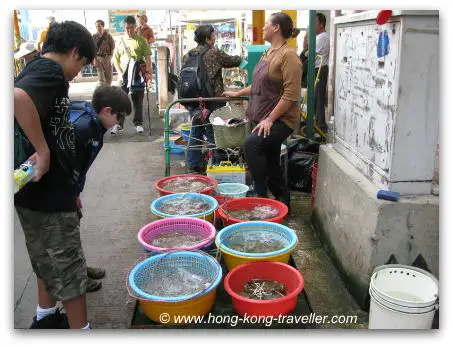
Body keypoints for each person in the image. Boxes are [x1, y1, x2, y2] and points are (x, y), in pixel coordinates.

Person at [14, 21, 96, 329]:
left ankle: (46, 317)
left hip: (30, 191)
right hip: (49, 194)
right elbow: (16, 97)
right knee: (70, 269)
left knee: (44, 260)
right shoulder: (49, 72)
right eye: (82, 64)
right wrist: (43, 151)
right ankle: (81, 330)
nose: (78, 73)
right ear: (74, 52)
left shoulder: (33, 66)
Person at [223, 13, 302, 209]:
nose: (263, 27)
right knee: (271, 161)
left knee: (252, 145)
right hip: (265, 116)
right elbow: (259, 84)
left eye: (267, 24)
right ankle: (283, 202)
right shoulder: (268, 53)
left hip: (282, 119)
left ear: (276, 28)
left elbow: (291, 95)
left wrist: (269, 119)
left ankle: (260, 197)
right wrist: (238, 92)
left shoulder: (289, 55)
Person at [183, 25, 242, 174]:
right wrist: (243, 56)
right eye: (213, 36)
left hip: (193, 99)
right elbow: (233, 61)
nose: (215, 38)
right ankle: (215, 165)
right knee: (213, 132)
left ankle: (193, 165)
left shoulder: (188, 55)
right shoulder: (214, 53)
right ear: (207, 38)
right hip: (212, 99)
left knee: (195, 130)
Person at [112, 15, 153, 134]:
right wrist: (120, 73)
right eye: (127, 28)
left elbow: (148, 58)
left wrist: (148, 72)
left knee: (138, 101)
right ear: (124, 28)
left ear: (135, 27)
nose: (129, 30)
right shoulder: (120, 41)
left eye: (131, 28)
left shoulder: (141, 40)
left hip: (138, 74)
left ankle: (138, 123)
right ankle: (118, 124)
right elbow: (116, 59)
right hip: (124, 75)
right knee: (120, 101)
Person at [302, 13, 329, 131]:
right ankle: (314, 122)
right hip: (317, 68)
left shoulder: (323, 37)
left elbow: (309, 53)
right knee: (314, 97)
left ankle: (321, 126)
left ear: (321, 24)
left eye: (315, 23)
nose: (312, 26)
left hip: (320, 69)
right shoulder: (319, 36)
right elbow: (306, 50)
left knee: (318, 98)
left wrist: (306, 53)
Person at [92, 20, 115, 86]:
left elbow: (112, 47)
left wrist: (110, 57)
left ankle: (108, 92)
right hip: (99, 58)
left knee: (109, 78)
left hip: (107, 58)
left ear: (103, 26)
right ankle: (102, 92)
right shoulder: (94, 37)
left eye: (99, 26)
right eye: (96, 26)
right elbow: (92, 49)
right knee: (101, 79)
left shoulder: (108, 36)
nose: (98, 28)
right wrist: (95, 60)